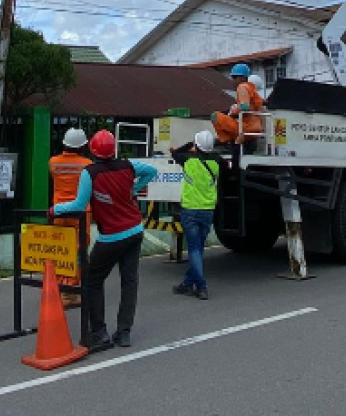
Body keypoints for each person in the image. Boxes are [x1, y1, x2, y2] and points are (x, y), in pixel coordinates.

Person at [50, 130, 157, 352]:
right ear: (114, 149)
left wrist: (55, 209)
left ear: (93, 150)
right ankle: (124, 333)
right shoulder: (128, 166)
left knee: (91, 280)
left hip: (111, 236)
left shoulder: (91, 173)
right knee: (130, 281)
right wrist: (133, 189)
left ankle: (99, 332)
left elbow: (79, 205)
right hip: (135, 230)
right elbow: (152, 171)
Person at [171, 130, 226, 300]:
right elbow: (226, 164)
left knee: (194, 249)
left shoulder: (187, 160)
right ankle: (187, 283)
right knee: (198, 248)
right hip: (207, 211)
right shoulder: (217, 162)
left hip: (190, 210)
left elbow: (175, 153)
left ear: (196, 145)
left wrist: (190, 145)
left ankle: (201, 286)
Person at [49, 127, 93, 308]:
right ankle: (70, 293)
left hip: (59, 211)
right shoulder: (87, 164)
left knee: (62, 250)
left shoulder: (53, 162)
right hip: (81, 213)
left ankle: (61, 287)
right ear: (82, 146)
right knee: (78, 251)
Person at [211, 63, 265, 147]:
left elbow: (244, 107)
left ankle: (225, 141)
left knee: (215, 116)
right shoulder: (253, 91)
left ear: (243, 78)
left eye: (235, 77)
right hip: (255, 129)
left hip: (246, 128)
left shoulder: (242, 87)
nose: (233, 80)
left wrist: (232, 111)